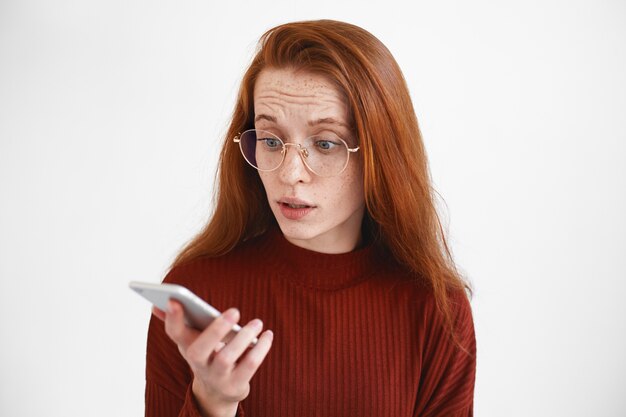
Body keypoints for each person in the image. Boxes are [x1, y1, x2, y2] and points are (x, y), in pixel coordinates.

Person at [145, 19, 476, 417]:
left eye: (324, 143)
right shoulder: (197, 291)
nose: (290, 173)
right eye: (270, 140)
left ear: (380, 155)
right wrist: (212, 402)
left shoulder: (435, 309)